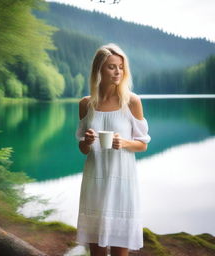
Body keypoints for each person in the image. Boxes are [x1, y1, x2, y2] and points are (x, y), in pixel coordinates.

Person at [76, 43, 151, 256]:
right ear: (98, 69)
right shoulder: (85, 104)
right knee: (96, 250)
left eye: (120, 66)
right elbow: (82, 149)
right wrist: (87, 141)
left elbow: (143, 144)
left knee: (120, 250)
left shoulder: (132, 102)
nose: (118, 71)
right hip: (95, 180)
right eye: (111, 67)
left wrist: (125, 143)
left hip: (122, 181)